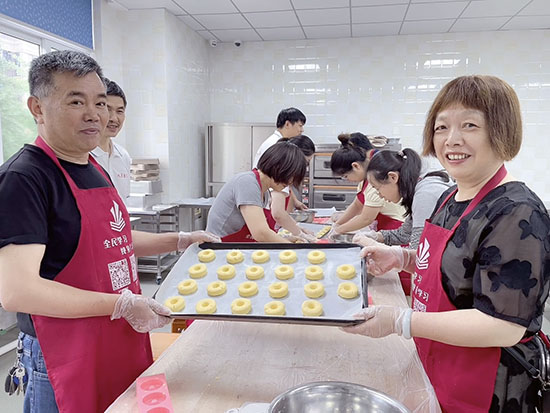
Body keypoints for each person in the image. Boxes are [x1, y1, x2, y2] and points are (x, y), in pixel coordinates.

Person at [0, 50, 219, 413]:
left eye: (100, 102)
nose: (95, 114)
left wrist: (179, 240)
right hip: (64, 350)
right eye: (76, 101)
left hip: (116, 335)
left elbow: (111, 241)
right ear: (37, 108)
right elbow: (17, 291)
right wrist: (121, 304)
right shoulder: (25, 178)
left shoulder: (93, 166)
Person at [344, 75, 550, 412]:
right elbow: (455, 264)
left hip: (486, 384)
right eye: (441, 127)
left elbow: (503, 325)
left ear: (501, 131)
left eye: (470, 125)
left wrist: (400, 321)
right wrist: (401, 257)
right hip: (439, 359)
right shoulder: (451, 197)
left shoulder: (516, 211)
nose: (452, 139)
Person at [207, 141, 307, 242]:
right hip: (220, 247)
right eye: (291, 176)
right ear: (279, 167)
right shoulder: (247, 182)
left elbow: (262, 232)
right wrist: (290, 246)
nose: (290, 182)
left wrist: (286, 239)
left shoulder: (265, 192)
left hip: (239, 246)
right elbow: (261, 233)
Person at [353, 148, 452, 250]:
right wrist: (376, 236)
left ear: (393, 177)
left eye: (378, 188)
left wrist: (385, 251)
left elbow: (418, 251)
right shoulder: (419, 187)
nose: (380, 195)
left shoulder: (425, 195)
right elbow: (405, 234)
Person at [329, 133, 406, 235]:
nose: (347, 180)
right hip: (385, 229)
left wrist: (338, 230)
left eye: (346, 176)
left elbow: (366, 218)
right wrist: (338, 224)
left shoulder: (375, 181)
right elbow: (357, 205)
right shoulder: (365, 179)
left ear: (356, 166)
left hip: (396, 229)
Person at [253, 107, 308, 211]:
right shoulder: (276, 145)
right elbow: (279, 179)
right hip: (270, 200)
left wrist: (295, 201)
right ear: (287, 124)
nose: (302, 130)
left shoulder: (280, 143)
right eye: (300, 125)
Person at [90, 78, 131, 203]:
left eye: (120, 111)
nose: (114, 118)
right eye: (108, 109)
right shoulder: (82, 156)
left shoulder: (123, 155)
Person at [269, 136, 316, 241]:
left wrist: (298, 229)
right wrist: (300, 234)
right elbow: (278, 213)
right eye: (306, 162)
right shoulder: (279, 179)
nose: (305, 168)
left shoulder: (283, 176)